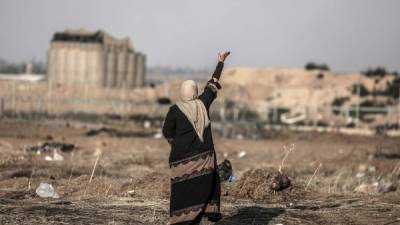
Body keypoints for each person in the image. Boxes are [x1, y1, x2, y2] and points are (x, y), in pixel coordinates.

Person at [162, 51, 230, 225]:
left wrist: (176, 143)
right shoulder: (203, 103)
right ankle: (208, 213)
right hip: (203, 158)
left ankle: (181, 219)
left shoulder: (174, 110)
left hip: (180, 161)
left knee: (182, 191)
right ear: (195, 92)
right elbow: (212, 84)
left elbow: (167, 133)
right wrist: (220, 62)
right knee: (205, 185)